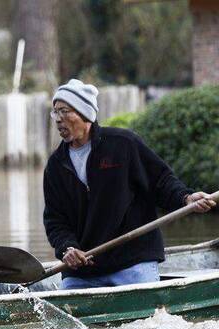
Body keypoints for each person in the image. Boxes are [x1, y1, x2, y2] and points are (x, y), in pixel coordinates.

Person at [43, 79, 216, 290]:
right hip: (84, 271)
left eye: (64, 111)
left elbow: (160, 181)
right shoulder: (55, 166)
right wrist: (67, 249)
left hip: (133, 262)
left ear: (85, 113)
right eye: (55, 113)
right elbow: (55, 220)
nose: (58, 120)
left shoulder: (123, 145)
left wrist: (186, 198)